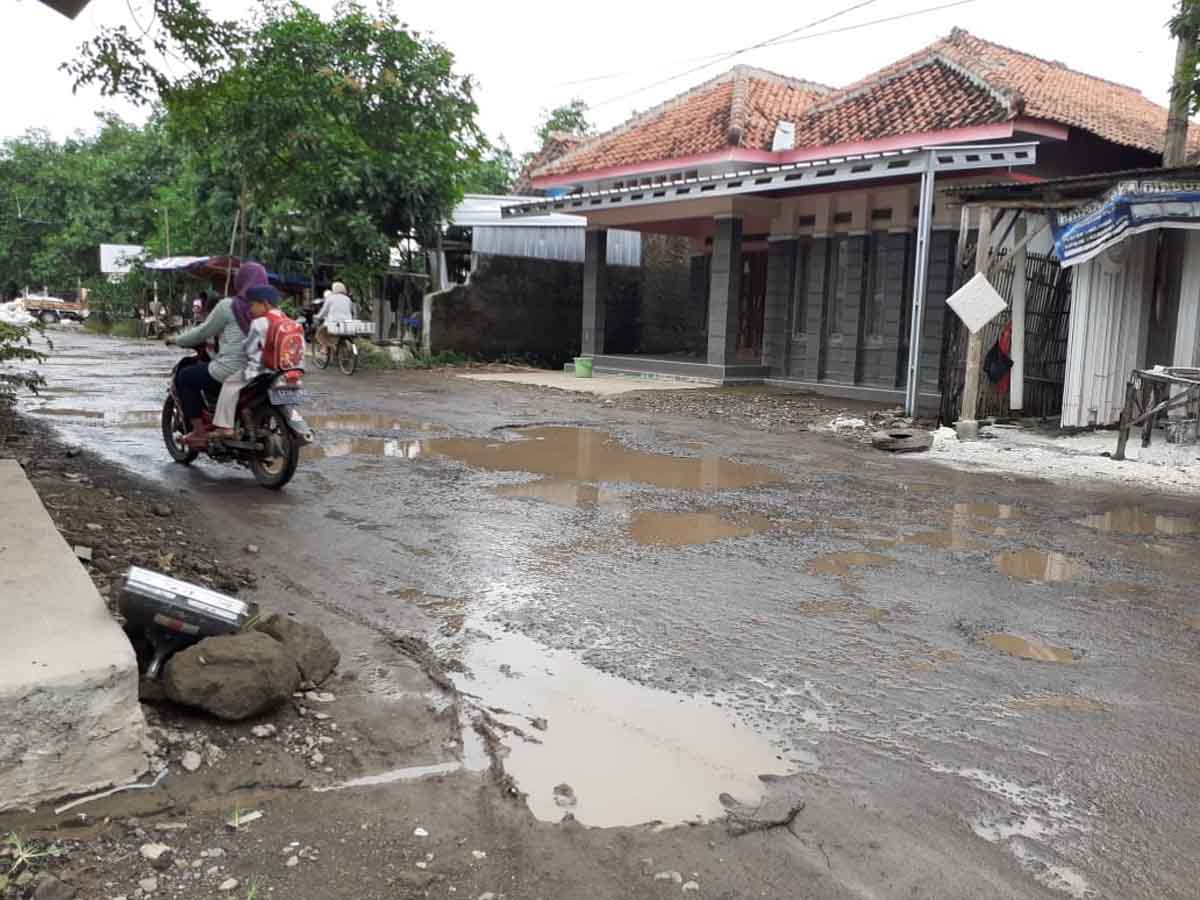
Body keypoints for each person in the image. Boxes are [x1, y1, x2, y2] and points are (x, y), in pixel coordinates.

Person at [168, 263, 270, 448]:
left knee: (185, 377)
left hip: (233, 368)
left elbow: (202, 332)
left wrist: (177, 340)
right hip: (267, 368)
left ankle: (199, 432)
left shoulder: (228, 306)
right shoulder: (269, 307)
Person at [209, 284, 282, 440]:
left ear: (265, 304)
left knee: (230, 384)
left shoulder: (259, 323)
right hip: (282, 371)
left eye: (253, 305)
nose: (250, 310)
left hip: (259, 371)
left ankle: (225, 427)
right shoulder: (286, 320)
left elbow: (249, 347)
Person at [314, 281, 354, 349]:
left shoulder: (331, 298)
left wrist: (317, 316)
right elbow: (351, 311)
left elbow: (324, 311)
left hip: (333, 324)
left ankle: (325, 348)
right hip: (347, 324)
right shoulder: (348, 299)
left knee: (321, 334)